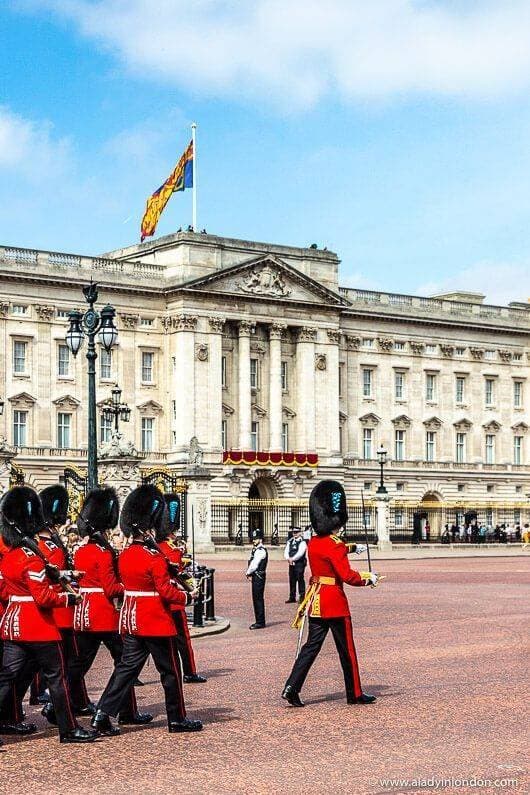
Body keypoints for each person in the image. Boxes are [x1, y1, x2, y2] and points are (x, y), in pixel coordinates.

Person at [91, 485, 203, 736]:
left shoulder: (126, 555)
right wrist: (188, 596)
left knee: (126, 668)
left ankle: (103, 713)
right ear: (149, 528)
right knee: (170, 671)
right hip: (155, 620)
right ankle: (177, 718)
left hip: (132, 619)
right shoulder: (153, 557)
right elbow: (165, 591)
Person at [0, 486, 95, 743]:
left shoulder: (11, 556)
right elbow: (43, 597)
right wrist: (69, 598)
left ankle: (6, 719)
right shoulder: (31, 558)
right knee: (57, 678)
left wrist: (60, 575)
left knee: (7, 678)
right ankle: (68, 729)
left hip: (13, 624)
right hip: (37, 626)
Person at [282, 480, 381, 708]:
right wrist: (369, 578)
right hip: (334, 603)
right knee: (347, 650)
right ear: (337, 521)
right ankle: (354, 693)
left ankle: (291, 687)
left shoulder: (314, 542)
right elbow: (347, 576)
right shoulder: (335, 544)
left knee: (311, 648)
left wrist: (353, 547)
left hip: (316, 602)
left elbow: (332, 549)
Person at [72, 487, 150, 726]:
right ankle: (122, 712)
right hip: (103, 614)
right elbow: (110, 588)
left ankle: (54, 704)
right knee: (126, 663)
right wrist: (128, 588)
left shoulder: (81, 551)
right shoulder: (104, 553)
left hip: (83, 611)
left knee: (78, 664)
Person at [156, 493, 206, 684]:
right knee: (182, 641)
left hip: (161, 601)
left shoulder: (158, 547)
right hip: (175, 600)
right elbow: (179, 572)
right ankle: (189, 672)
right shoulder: (173, 550)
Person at [246, 528, 268, 629]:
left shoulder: (260, 550)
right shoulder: (256, 549)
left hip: (258, 576)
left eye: (255, 539)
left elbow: (254, 565)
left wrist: (248, 573)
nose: (253, 540)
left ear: (260, 539)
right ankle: (259, 620)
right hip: (257, 576)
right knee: (256, 598)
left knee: (258, 599)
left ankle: (260, 621)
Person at [284, 526, 307, 604]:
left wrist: (292, 559)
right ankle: (292, 597)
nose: (295, 534)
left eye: (297, 532)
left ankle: (302, 596)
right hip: (291, 563)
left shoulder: (302, 542)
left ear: (300, 533)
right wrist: (288, 558)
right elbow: (286, 551)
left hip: (299, 563)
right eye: (294, 532)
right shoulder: (290, 541)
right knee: (292, 580)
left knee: (300, 579)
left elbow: (300, 553)